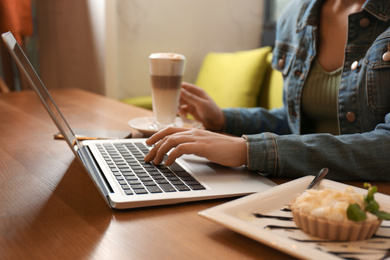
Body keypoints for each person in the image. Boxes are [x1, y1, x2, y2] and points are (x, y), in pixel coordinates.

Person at [144, 0, 390, 181]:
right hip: (303, 188)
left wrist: (249, 150)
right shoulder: (295, 16)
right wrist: (223, 119)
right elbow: (294, 121)